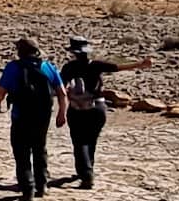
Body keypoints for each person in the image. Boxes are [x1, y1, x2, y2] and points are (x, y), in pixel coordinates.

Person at [61, 36, 151, 189]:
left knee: (79, 141)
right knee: (91, 140)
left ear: (73, 52)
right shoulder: (96, 65)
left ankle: (86, 174)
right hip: (97, 108)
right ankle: (86, 170)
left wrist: (62, 106)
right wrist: (140, 64)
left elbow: (61, 88)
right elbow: (118, 67)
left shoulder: (69, 68)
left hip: (77, 109)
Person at [0, 38, 66, 201]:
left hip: (21, 116)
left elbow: (1, 90)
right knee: (40, 149)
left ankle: (28, 190)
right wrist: (62, 113)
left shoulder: (14, 67)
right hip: (43, 116)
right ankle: (42, 186)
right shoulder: (47, 66)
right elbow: (61, 92)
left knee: (22, 152)